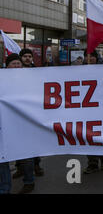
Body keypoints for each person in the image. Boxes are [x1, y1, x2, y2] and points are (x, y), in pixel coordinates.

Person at [2, 54, 36, 194]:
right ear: (7, 66)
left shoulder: (29, 80)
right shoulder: (1, 79)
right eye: (13, 64)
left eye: (18, 64)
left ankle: (29, 180)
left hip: (22, 123)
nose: (16, 66)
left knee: (25, 155)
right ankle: (4, 188)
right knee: (2, 156)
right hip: (4, 123)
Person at [14, 49, 44, 178]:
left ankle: (36, 165)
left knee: (31, 141)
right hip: (15, 112)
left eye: (29, 56)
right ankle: (20, 167)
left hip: (31, 112)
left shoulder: (37, 72)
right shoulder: (10, 74)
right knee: (15, 141)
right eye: (25, 56)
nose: (27, 58)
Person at [82, 49, 103, 174]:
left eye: (92, 56)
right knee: (88, 137)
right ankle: (92, 163)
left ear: (96, 57)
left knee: (101, 136)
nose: (90, 59)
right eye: (87, 56)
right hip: (86, 109)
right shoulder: (78, 70)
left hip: (101, 108)